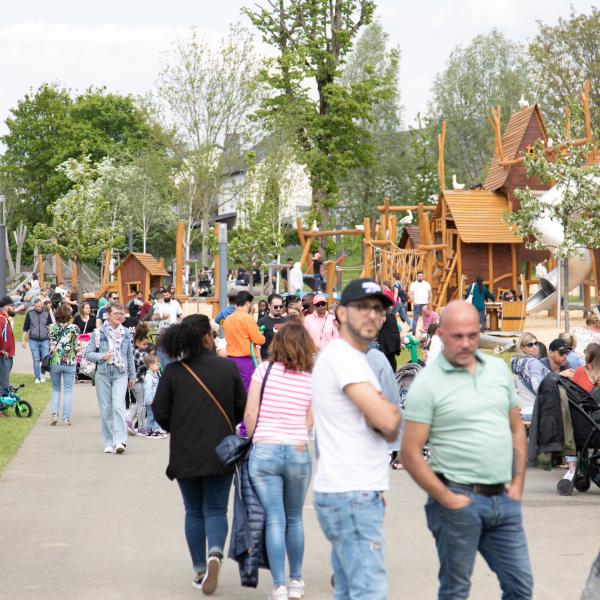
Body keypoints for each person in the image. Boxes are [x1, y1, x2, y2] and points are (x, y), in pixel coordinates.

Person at [401, 300, 532, 599]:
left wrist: (517, 486)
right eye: (457, 336)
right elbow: (410, 453)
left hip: (503, 501)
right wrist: (446, 497)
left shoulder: (497, 371)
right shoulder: (428, 384)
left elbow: (515, 429)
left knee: (520, 587)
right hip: (456, 502)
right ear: (441, 335)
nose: (465, 343)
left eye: (472, 335)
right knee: (456, 590)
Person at [312, 278, 401, 600]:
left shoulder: (353, 358)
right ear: (341, 314)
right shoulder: (345, 358)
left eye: (378, 309)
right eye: (362, 307)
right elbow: (388, 421)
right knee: (369, 590)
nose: (372, 315)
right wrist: (385, 412)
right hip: (351, 493)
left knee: (350, 590)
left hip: (353, 488)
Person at [153, 314, 246, 594]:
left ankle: (199, 570)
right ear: (206, 337)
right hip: (221, 451)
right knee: (216, 509)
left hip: (185, 452)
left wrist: (177, 427)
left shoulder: (173, 372)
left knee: (193, 511)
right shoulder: (227, 368)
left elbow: (159, 412)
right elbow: (241, 409)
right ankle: (215, 553)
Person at [246, 322, 316, 600]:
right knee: (294, 517)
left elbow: (250, 413)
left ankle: (279, 586)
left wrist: (255, 439)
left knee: (274, 518)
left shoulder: (264, 371)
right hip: (297, 448)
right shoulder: (312, 377)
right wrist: (300, 434)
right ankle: (296, 580)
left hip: (265, 448)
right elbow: (311, 418)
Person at [85, 303, 136, 454]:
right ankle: (108, 441)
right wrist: (102, 356)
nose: (120, 316)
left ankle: (120, 441)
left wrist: (132, 376)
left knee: (118, 407)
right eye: (116, 313)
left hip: (121, 373)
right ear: (108, 314)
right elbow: (88, 353)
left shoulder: (126, 332)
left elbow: (129, 356)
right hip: (103, 373)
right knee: (106, 409)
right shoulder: (99, 333)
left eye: (121, 313)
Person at [222, 291, 266, 390]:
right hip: (246, 362)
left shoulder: (227, 320)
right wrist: (262, 336)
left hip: (230, 360)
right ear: (248, 303)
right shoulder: (248, 318)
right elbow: (259, 340)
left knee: (234, 389)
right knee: (246, 390)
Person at [47, 303, 80, 426]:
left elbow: (50, 343)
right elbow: (77, 346)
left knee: (55, 389)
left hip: (55, 361)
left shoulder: (51, 328)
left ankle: (54, 414)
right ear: (69, 315)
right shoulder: (75, 328)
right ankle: (66, 418)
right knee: (68, 391)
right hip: (69, 361)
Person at [510, 332, 550, 421]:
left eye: (536, 344)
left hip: (522, 410)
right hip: (535, 411)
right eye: (530, 345)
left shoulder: (516, 362)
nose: (535, 347)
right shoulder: (533, 363)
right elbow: (538, 388)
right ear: (522, 348)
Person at [127, 323, 151, 435]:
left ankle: (128, 420)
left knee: (138, 402)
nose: (146, 346)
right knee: (142, 404)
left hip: (132, 380)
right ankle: (141, 427)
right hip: (139, 381)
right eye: (144, 344)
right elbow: (148, 365)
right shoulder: (141, 353)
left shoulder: (133, 349)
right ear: (138, 342)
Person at [22, 297, 52, 383]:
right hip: (33, 340)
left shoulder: (46, 314)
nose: (38, 308)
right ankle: (37, 377)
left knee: (45, 359)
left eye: (39, 306)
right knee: (36, 359)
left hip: (45, 339)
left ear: (42, 305)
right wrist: (23, 340)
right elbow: (25, 328)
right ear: (34, 306)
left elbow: (50, 327)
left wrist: (51, 340)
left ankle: (42, 375)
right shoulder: (30, 314)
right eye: (36, 306)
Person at [141, 354, 166, 438]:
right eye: (157, 364)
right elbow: (147, 389)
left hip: (154, 400)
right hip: (152, 400)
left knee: (151, 416)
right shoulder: (149, 377)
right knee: (155, 416)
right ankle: (155, 431)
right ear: (151, 366)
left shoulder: (154, 375)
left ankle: (150, 431)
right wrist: (149, 400)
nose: (159, 366)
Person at [257, 294, 289, 360]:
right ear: (269, 306)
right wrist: (260, 363)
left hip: (284, 360)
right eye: (276, 307)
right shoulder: (261, 322)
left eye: (281, 306)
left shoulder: (288, 321)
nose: (279, 309)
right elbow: (257, 345)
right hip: (267, 360)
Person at [0, 296, 17, 392]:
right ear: (6, 306)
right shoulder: (2, 318)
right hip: (3, 358)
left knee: (3, 384)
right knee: (3, 386)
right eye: (12, 305)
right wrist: (1, 348)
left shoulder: (5, 318)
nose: (14, 308)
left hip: (7, 357)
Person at [409, 271, 432, 335]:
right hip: (417, 304)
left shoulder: (427, 283)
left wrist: (430, 299)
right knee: (415, 318)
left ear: (423, 276)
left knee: (426, 318)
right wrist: (413, 302)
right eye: (419, 276)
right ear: (417, 276)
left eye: (421, 276)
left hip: (425, 303)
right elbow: (410, 294)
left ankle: (426, 332)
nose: (420, 277)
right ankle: (413, 333)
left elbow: (430, 292)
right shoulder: (413, 284)